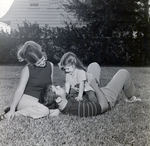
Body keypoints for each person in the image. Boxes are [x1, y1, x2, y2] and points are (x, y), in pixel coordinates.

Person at [40, 67, 141, 117]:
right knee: (123, 72)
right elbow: (104, 106)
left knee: (93, 65)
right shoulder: (78, 108)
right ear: (58, 99)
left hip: (92, 93)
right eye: (56, 88)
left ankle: (95, 82)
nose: (58, 86)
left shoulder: (64, 103)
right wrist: (94, 85)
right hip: (105, 98)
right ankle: (130, 97)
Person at [0, 41, 59, 121]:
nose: (43, 63)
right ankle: (11, 113)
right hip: (26, 99)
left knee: (57, 111)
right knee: (44, 111)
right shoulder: (27, 69)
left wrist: (54, 98)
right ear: (32, 64)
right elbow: (19, 91)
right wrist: (12, 109)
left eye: (42, 59)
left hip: (40, 100)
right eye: (39, 63)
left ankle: (28, 110)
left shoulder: (50, 65)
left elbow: (50, 86)